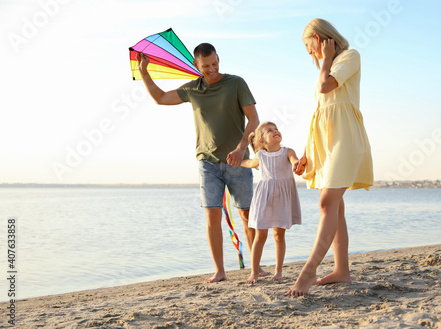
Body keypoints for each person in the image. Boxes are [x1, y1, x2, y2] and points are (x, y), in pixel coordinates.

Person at [136, 43, 260, 283]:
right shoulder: (193, 88)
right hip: (207, 163)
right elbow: (160, 98)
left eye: (214, 63)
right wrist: (144, 73)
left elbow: (254, 118)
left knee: (247, 216)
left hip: (238, 161)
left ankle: (256, 268)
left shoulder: (236, 83)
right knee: (211, 216)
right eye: (206, 66)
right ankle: (220, 271)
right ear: (196, 65)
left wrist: (242, 147)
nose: (212, 69)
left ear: (218, 58)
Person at [285, 18, 373, 296]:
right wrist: (309, 154)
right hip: (327, 143)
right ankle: (341, 271)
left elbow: (327, 88)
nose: (310, 54)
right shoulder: (328, 67)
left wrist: (325, 60)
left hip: (346, 140)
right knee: (336, 207)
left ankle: (308, 271)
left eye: (311, 47)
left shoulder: (349, 57)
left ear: (323, 39)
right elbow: (321, 116)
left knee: (326, 203)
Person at [240, 122, 302, 283]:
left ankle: (278, 271)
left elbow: (294, 160)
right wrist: (238, 161)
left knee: (278, 235)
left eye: (276, 129)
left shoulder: (288, 151)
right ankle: (254, 272)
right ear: (262, 141)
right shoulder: (261, 156)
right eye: (270, 130)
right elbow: (249, 163)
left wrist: (297, 164)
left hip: (283, 198)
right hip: (265, 198)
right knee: (260, 235)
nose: (276, 131)